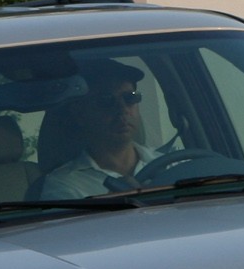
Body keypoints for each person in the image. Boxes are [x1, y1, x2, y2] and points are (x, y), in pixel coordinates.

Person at [37, 61, 158, 199]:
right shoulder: (64, 184)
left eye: (130, 97)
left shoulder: (169, 165)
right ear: (80, 114)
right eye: (106, 100)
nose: (122, 108)